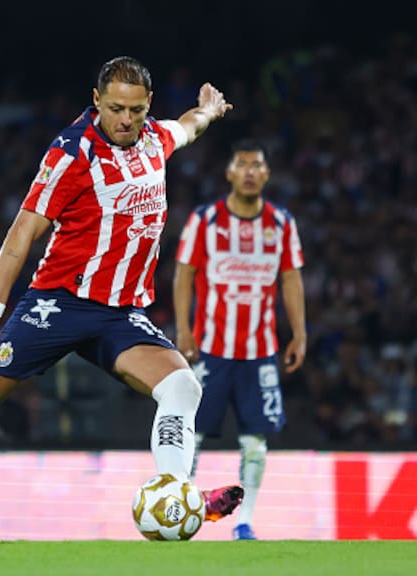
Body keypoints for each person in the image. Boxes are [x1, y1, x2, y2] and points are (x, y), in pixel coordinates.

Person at [0, 56, 244, 526]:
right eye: (114, 109)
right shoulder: (71, 153)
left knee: (183, 387)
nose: (125, 120)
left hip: (119, 311)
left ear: (148, 104)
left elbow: (187, 127)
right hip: (59, 302)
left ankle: (179, 493)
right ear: (96, 101)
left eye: (134, 110)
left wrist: (208, 109)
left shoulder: (154, 138)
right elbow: (22, 232)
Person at [173, 139, 306, 540]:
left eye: (257, 165)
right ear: (229, 172)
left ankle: (244, 521)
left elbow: (290, 278)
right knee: (192, 434)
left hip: (260, 353)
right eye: (242, 164)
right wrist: (183, 329)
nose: (249, 172)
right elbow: (183, 274)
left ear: (266, 173)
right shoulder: (205, 220)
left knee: (255, 439)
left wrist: (300, 333)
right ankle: (184, 513)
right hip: (211, 349)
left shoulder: (281, 223)